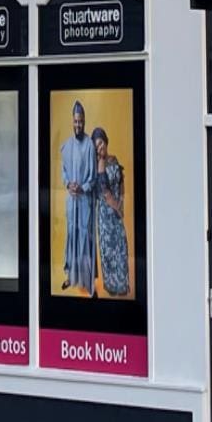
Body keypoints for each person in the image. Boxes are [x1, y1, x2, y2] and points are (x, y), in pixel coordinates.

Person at [59, 101, 97, 295]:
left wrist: (82, 188)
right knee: (72, 238)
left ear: (84, 121)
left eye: (80, 121)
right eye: (75, 121)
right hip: (71, 202)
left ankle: (88, 284)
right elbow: (64, 172)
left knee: (84, 240)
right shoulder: (67, 146)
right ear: (72, 121)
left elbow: (93, 178)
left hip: (84, 203)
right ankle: (71, 277)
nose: (78, 125)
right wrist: (68, 184)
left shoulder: (89, 145)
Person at [91, 127, 130, 297]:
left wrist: (122, 201)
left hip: (117, 210)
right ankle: (112, 287)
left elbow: (121, 182)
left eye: (101, 143)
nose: (100, 147)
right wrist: (117, 208)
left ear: (106, 141)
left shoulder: (114, 159)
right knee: (108, 251)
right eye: (96, 146)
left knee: (121, 248)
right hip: (106, 215)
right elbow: (105, 192)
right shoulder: (99, 166)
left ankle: (122, 286)